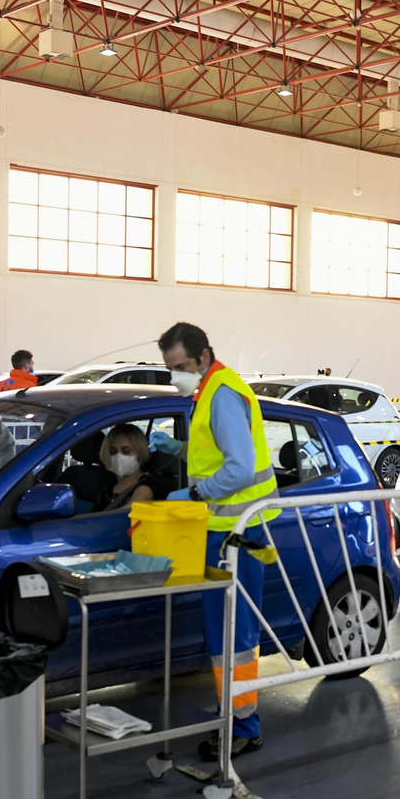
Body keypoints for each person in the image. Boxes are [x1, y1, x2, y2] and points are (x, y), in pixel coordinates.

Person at [158, 321, 278, 761]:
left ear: (204, 356)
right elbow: (217, 455)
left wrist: (194, 493)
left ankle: (244, 726)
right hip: (226, 532)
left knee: (234, 636)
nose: (176, 375)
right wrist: (176, 453)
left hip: (235, 534)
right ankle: (234, 713)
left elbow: (241, 469)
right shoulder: (210, 391)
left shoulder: (222, 394)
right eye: (170, 368)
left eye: (182, 366)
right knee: (226, 633)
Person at [99, 425, 155, 511]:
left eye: (126, 451)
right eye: (113, 451)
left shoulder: (145, 487)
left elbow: (125, 515)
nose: (118, 457)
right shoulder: (108, 490)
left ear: (140, 452)